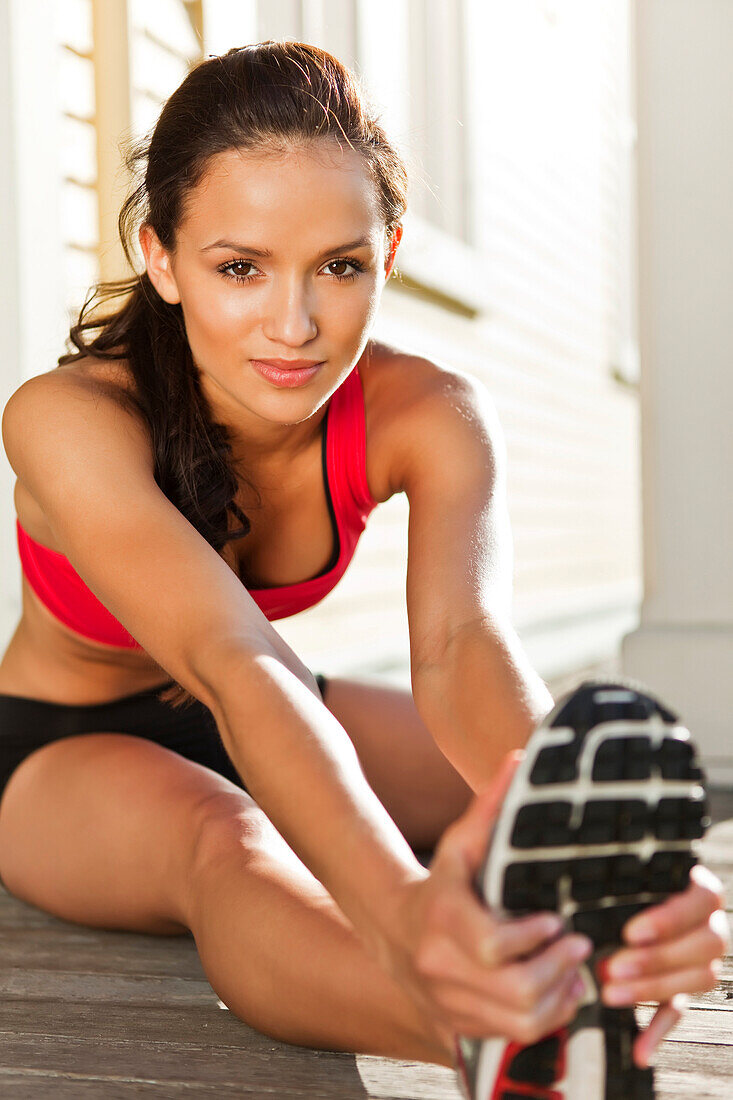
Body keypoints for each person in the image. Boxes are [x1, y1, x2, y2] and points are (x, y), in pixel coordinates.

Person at [0, 41, 726, 1084]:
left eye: (337, 266)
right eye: (239, 267)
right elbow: (228, 655)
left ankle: (593, 942)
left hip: (282, 702)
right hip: (62, 750)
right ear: (159, 255)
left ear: (386, 253)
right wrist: (401, 910)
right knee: (229, 841)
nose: (293, 326)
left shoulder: (429, 414)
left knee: (555, 798)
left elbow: (460, 643)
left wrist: (597, 861)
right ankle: (501, 1036)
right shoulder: (68, 418)